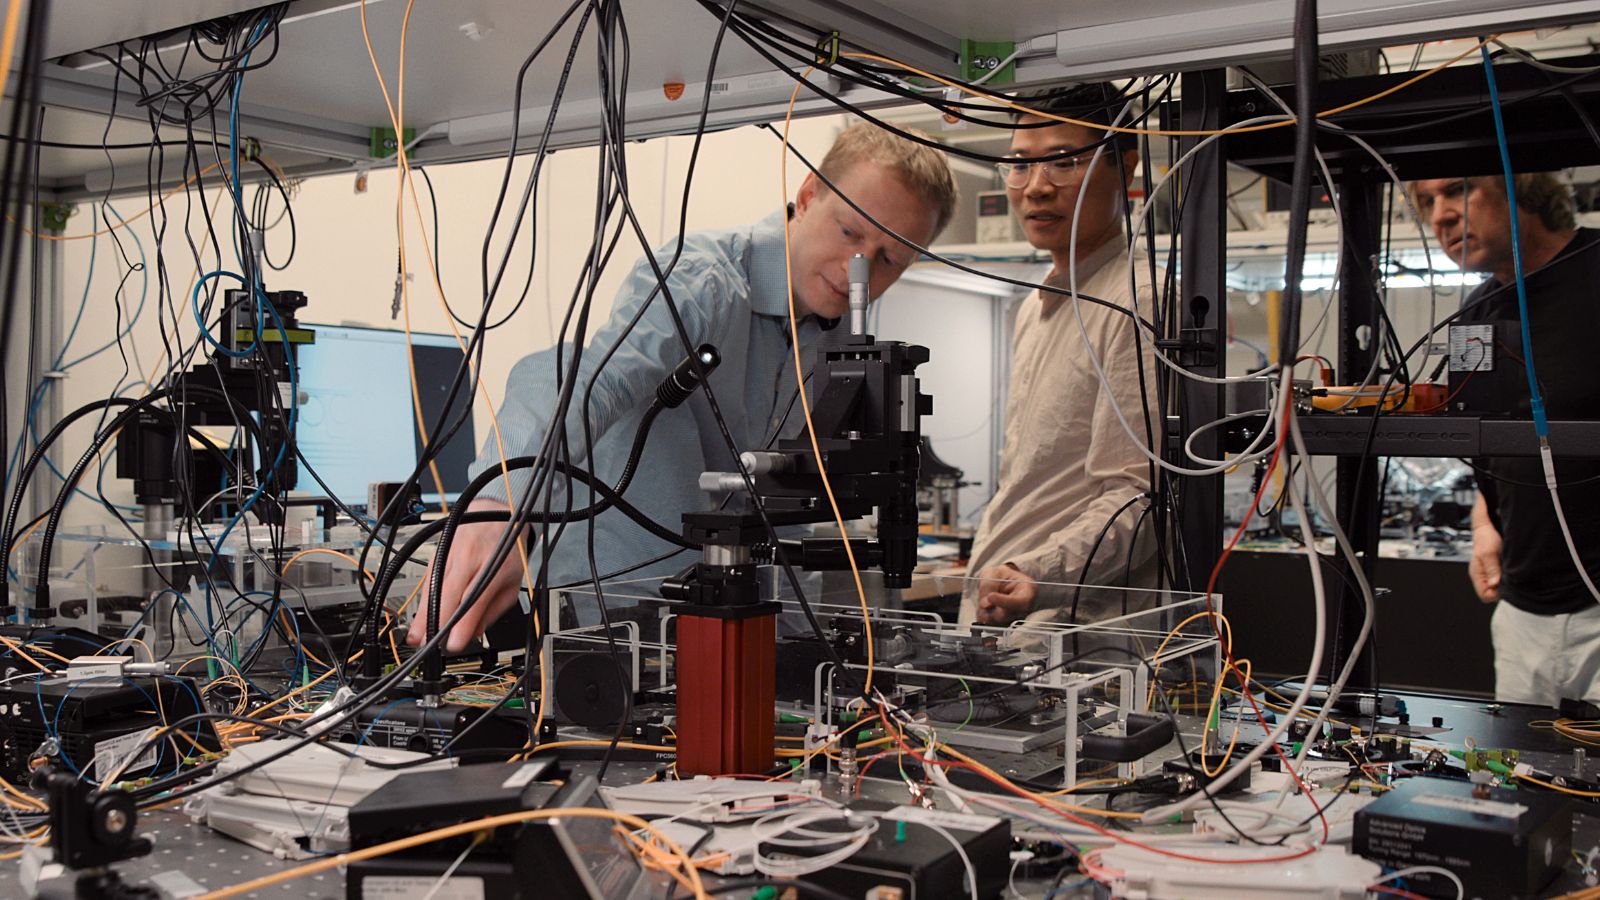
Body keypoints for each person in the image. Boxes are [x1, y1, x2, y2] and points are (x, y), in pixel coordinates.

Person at [408, 123, 956, 652]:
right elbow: (581, 382)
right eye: (849, 232)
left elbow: (780, 501)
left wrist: (798, 647)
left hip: (730, 631)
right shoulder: (704, 281)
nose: (858, 270)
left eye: (889, 259)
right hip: (611, 630)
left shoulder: (834, 334)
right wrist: (500, 503)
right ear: (808, 195)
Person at [960, 84, 1160, 628]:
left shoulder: (1140, 299)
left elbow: (1138, 498)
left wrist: (1038, 571)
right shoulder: (1035, 306)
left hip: (1074, 643)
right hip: (1009, 624)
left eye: (1065, 162)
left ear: (1126, 169)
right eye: (1020, 165)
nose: (1036, 188)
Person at [1411, 172, 1600, 705]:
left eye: (1458, 190)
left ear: (1525, 184)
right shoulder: (1477, 312)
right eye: (1428, 202)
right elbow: (1487, 436)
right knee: (1518, 778)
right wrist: (1484, 519)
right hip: (1522, 612)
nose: (1440, 216)